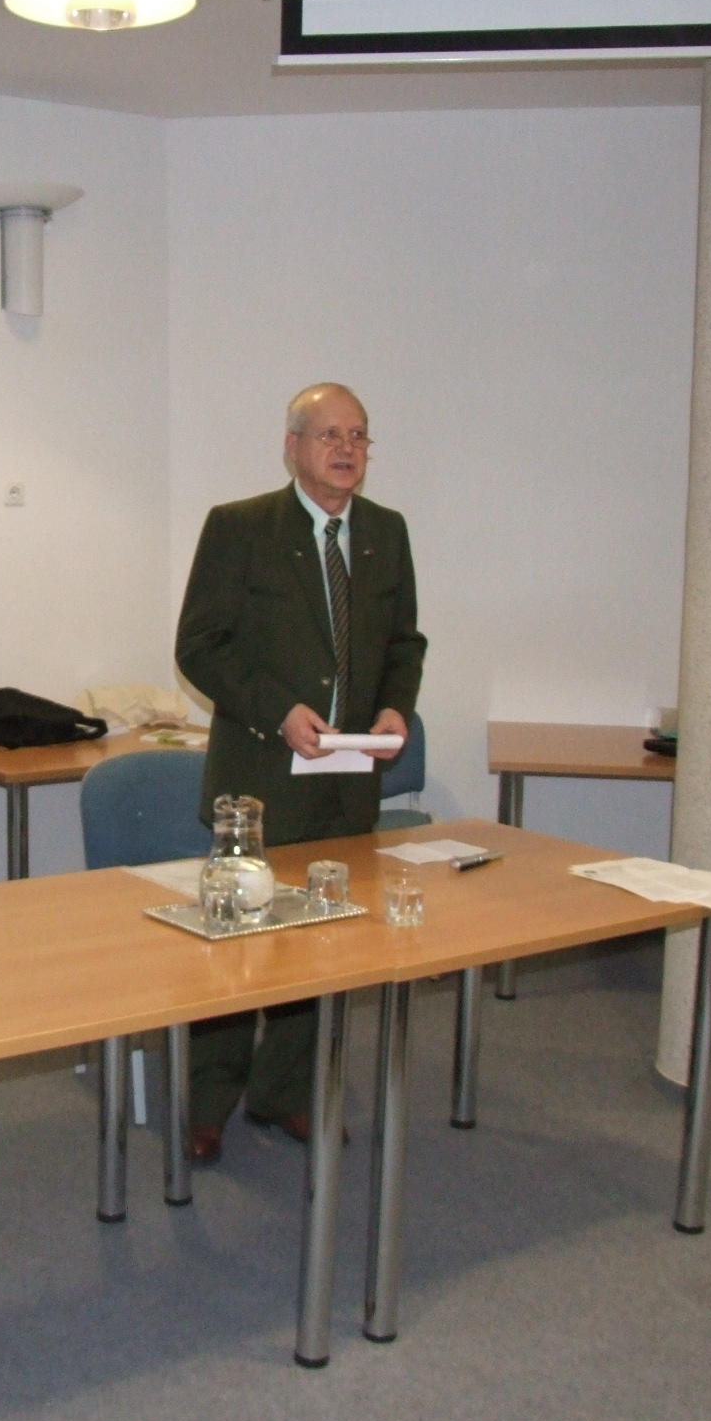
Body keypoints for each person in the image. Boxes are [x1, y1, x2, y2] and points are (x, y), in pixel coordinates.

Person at [174, 383, 426, 1164]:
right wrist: (278, 710)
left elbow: (404, 643)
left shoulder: (385, 531)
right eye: (328, 435)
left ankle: (285, 1091)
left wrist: (396, 707)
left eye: (358, 436)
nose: (346, 449)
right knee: (237, 944)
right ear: (292, 447)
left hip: (347, 781)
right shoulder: (240, 527)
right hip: (259, 778)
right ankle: (206, 1103)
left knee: (323, 941)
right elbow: (199, 647)